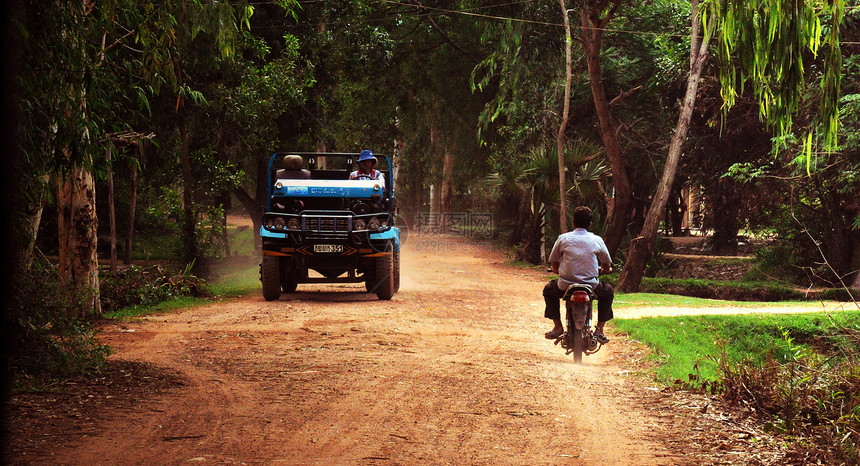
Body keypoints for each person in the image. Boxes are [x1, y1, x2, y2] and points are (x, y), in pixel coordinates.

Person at [543, 206, 614, 343]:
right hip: (591, 285)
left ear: (573, 221)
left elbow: (554, 263)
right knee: (608, 292)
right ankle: (599, 329)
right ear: (590, 223)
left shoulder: (563, 239)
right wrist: (605, 270)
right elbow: (606, 264)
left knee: (548, 290)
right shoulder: (596, 239)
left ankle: (557, 327)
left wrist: (557, 270)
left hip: (565, 286)